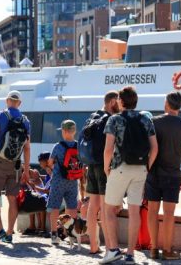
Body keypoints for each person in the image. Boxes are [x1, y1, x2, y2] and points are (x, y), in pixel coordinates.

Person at [101, 85, 158, 264]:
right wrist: (147, 166)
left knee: (109, 208)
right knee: (134, 211)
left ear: (121, 101)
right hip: (140, 168)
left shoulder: (115, 119)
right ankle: (131, 254)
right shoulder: (146, 119)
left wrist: (106, 167)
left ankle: (113, 249)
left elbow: (108, 148)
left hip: (120, 166)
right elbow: (155, 148)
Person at [145, 91, 181, 261]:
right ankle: (167, 250)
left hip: (153, 173)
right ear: (180, 106)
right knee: (169, 213)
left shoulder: (153, 122)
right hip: (173, 175)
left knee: (152, 211)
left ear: (166, 104)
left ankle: (153, 248)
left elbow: (148, 149)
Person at [0, 90, 31, 245]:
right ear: (20, 103)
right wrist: (27, 170)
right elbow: (27, 147)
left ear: (7, 100)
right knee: (12, 199)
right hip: (16, 165)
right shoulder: (26, 121)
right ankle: (10, 232)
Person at [85, 90, 120, 254]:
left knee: (93, 207)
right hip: (104, 166)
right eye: (118, 102)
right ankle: (109, 249)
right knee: (106, 209)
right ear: (112, 101)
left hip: (90, 165)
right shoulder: (110, 119)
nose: (120, 105)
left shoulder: (93, 116)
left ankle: (93, 245)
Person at [48, 119, 81, 246]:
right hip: (73, 180)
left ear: (64, 131)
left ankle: (54, 235)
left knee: (55, 207)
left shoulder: (58, 146)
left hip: (58, 180)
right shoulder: (78, 145)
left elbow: (50, 162)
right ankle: (71, 235)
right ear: (74, 131)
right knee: (72, 208)